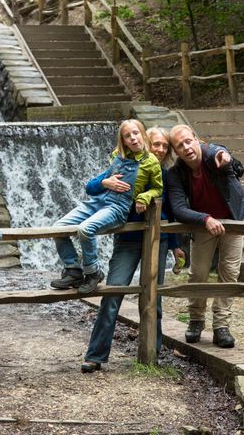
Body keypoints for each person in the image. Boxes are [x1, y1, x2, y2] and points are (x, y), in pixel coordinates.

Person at [78, 127, 184, 373]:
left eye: (164, 146)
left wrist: (176, 245)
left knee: (153, 299)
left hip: (157, 240)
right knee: (113, 293)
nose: (159, 149)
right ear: (146, 142)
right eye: (155, 143)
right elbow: (95, 188)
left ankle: (152, 354)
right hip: (128, 239)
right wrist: (106, 182)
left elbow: (169, 212)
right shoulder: (124, 165)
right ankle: (95, 355)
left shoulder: (166, 176)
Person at [50, 119, 163, 295]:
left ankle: (93, 272)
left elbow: (157, 188)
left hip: (118, 208)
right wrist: (105, 182)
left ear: (143, 134)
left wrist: (144, 197)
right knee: (58, 228)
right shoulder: (117, 156)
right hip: (98, 202)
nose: (133, 138)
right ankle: (73, 270)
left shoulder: (152, 162)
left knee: (85, 229)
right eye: (127, 136)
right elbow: (90, 187)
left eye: (136, 133)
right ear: (123, 141)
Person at [165, 123, 244, 349]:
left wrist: (224, 154)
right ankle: (196, 320)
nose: (186, 147)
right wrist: (205, 219)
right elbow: (179, 209)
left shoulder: (213, 156)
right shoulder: (176, 174)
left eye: (188, 141)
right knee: (198, 273)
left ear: (196, 139)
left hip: (233, 219)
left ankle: (221, 326)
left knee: (229, 273)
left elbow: (216, 150)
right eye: (179, 145)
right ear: (175, 151)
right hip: (203, 223)